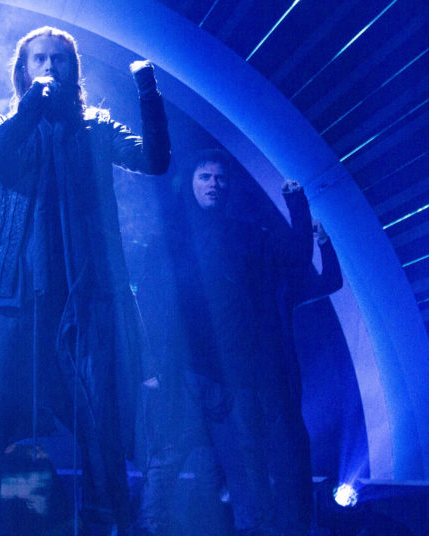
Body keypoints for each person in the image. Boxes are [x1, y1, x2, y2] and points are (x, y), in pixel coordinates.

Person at [0, 26, 170, 536]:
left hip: (82, 298)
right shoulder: (12, 125)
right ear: (24, 70)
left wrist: (147, 92)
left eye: (59, 59)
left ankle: (106, 523)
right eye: (39, 59)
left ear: (74, 70)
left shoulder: (96, 127)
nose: (49, 66)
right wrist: (28, 108)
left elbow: (155, 160)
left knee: (97, 421)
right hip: (12, 296)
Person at [134, 150, 342, 536]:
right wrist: (150, 368)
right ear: (190, 183)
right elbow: (146, 304)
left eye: (220, 178)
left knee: (247, 474)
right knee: (164, 467)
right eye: (205, 177)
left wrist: (296, 201)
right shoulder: (170, 240)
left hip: (234, 380)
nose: (213, 184)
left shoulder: (246, 236)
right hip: (183, 375)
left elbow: (299, 258)